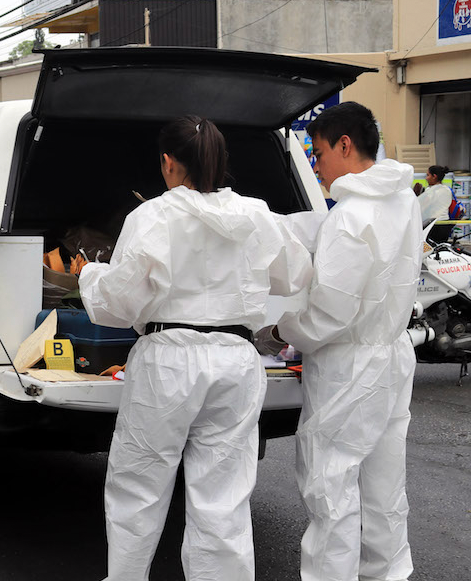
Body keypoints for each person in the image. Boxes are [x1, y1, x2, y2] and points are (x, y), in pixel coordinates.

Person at [72, 116, 313, 581]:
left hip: (168, 357)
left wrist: (89, 274)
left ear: (168, 163)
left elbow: (117, 306)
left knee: (138, 486)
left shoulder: (153, 216)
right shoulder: (257, 214)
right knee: (223, 497)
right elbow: (295, 275)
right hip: (236, 358)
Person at [257, 102, 420, 581]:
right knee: (385, 486)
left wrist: (279, 332)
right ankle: (387, 575)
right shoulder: (403, 199)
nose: (317, 164)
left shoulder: (350, 218)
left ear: (345, 145)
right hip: (392, 353)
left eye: (320, 150)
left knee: (332, 488)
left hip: (350, 368)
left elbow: (329, 311)